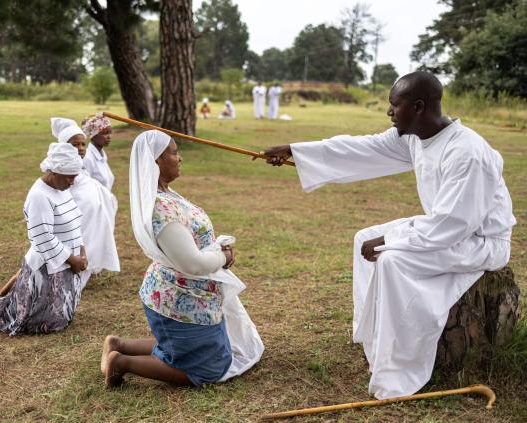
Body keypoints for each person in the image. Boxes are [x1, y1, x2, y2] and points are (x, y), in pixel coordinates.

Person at [261, 71, 516, 399]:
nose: (389, 112)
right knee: (363, 237)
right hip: (445, 229)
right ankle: (375, 341)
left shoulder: (467, 152)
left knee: (391, 259)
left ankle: (397, 371)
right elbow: (363, 149)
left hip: (479, 242)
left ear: (419, 107)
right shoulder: (416, 137)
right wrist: (295, 151)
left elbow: (452, 224)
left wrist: (391, 241)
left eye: (395, 105)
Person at [101, 130, 263, 388]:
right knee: (210, 369)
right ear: (156, 161)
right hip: (180, 299)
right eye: (174, 152)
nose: (180, 158)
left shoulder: (168, 194)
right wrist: (221, 257)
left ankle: (118, 344)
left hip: (191, 295)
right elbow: (192, 264)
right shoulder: (160, 208)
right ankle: (121, 362)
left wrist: (218, 252)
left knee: (193, 349)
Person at [0, 143, 88, 335]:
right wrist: (72, 259)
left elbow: (74, 220)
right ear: (53, 172)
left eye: (75, 177)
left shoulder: (62, 188)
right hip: (47, 265)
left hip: (68, 259)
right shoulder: (39, 196)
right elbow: (42, 237)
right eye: (69, 177)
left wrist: (82, 251)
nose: (72, 182)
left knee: (60, 318)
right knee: (38, 320)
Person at [54, 116, 120, 277]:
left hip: (98, 206)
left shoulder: (101, 155)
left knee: (95, 238)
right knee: (82, 238)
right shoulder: (83, 161)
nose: (81, 148)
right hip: (84, 208)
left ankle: (91, 263)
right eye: (105, 133)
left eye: (82, 144)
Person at [81, 113, 116, 192]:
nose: (109, 136)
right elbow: (85, 188)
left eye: (110, 132)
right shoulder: (87, 159)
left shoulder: (102, 155)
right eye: (105, 133)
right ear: (93, 135)